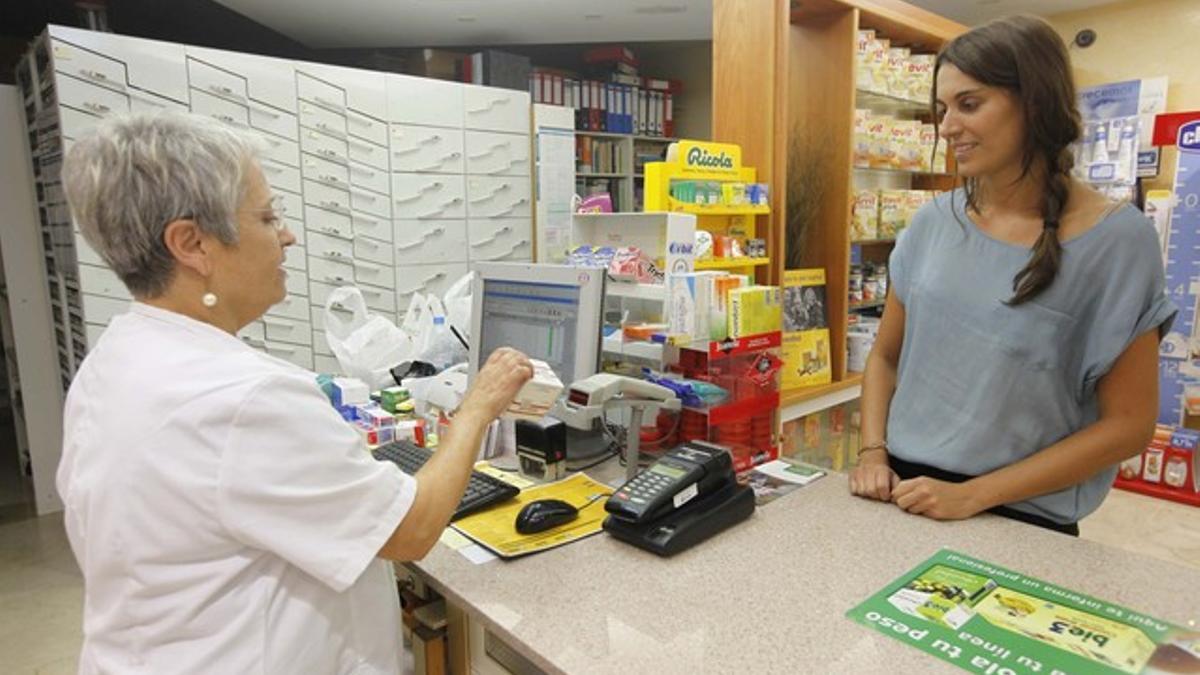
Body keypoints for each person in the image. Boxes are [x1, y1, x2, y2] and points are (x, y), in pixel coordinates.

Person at [56, 111, 534, 673]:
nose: (286, 234)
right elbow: (411, 529)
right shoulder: (242, 398)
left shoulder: (121, 354)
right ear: (192, 244)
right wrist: (478, 406)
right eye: (266, 216)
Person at [848, 16, 1176, 536]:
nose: (947, 126)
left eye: (969, 104)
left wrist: (973, 495)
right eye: (942, 109)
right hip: (903, 497)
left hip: (1023, 517)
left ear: (1035, 104)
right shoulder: (933, 223)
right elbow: (886, 356)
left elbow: (1128, 427)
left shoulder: (1118, 242)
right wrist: (872, 453)